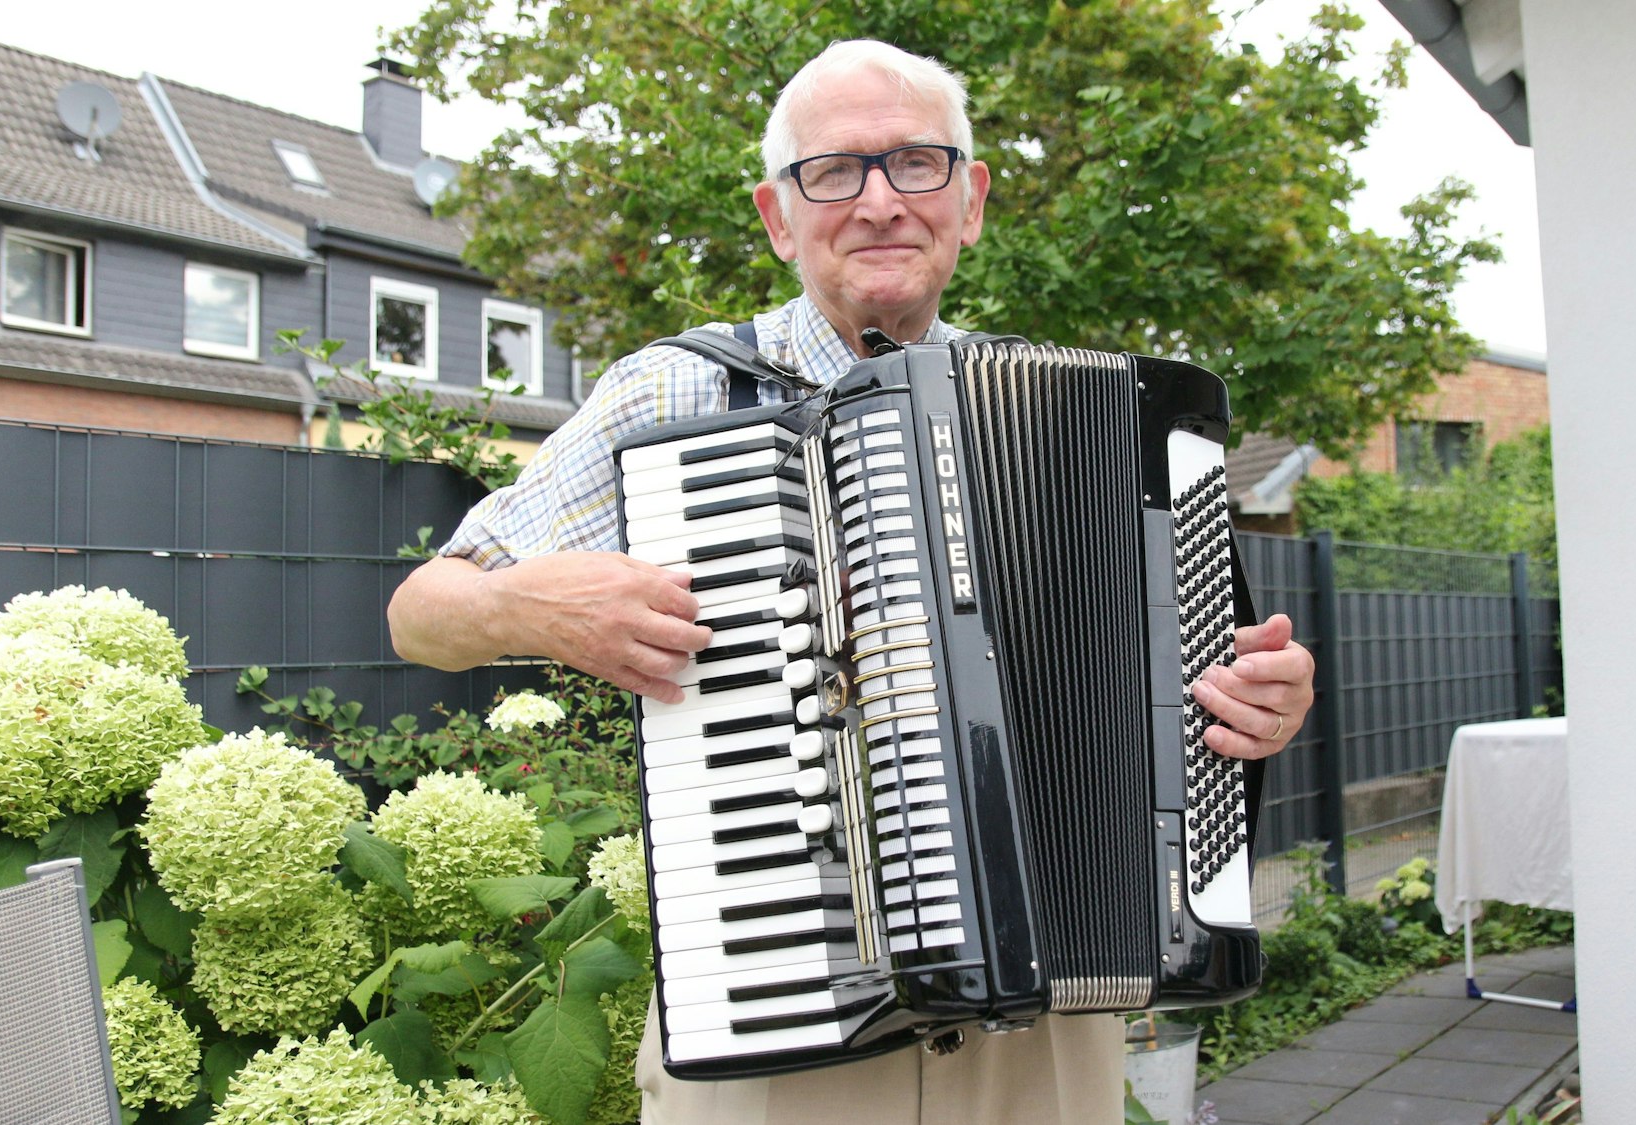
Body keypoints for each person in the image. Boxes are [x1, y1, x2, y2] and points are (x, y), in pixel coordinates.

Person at [387, 38, 1316, 1125]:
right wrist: (522, 603)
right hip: (781, 1018)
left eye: (915, 163)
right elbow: (420, 615)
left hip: (1046, 1042)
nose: (879, 202)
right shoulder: (676, 392)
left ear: (969, 201)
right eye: (832, 171)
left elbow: (1178, 697)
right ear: (778, 218)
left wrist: (1255, 701)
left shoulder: (1087, 424)